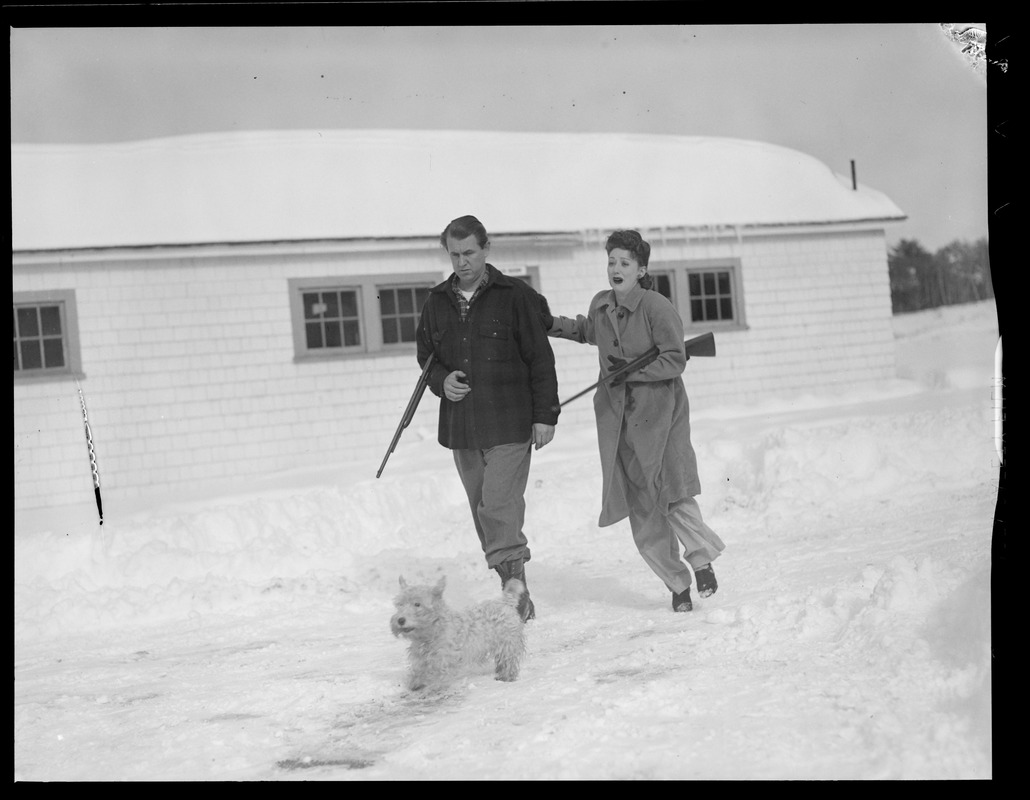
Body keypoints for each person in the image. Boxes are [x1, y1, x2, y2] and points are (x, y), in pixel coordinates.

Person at [543, 229, 725, 612]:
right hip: (619, 422)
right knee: (642, 508)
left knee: (672, 493)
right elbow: (587, 331)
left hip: (661, 415)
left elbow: (675, 358)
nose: (615, 268)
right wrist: (550, 323)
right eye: (611, 261)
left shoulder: (657, 307)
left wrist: (633, 372)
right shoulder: (601, 305)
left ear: (642, 269)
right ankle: (677, 586)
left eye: (625, 262)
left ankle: (702, 560)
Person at [415, 214, 559, 622]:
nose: (462, 262)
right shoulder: (437, 301)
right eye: (455, 254)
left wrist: (545, 415)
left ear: (486, 249)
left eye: (469, 253)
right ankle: (512, 587)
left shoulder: (515, 296)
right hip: (463, 428)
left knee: (499, 505)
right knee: (484, 511)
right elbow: (426, 356)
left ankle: (518, 597)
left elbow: (540, 358)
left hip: (510, 422)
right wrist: (442, 382)